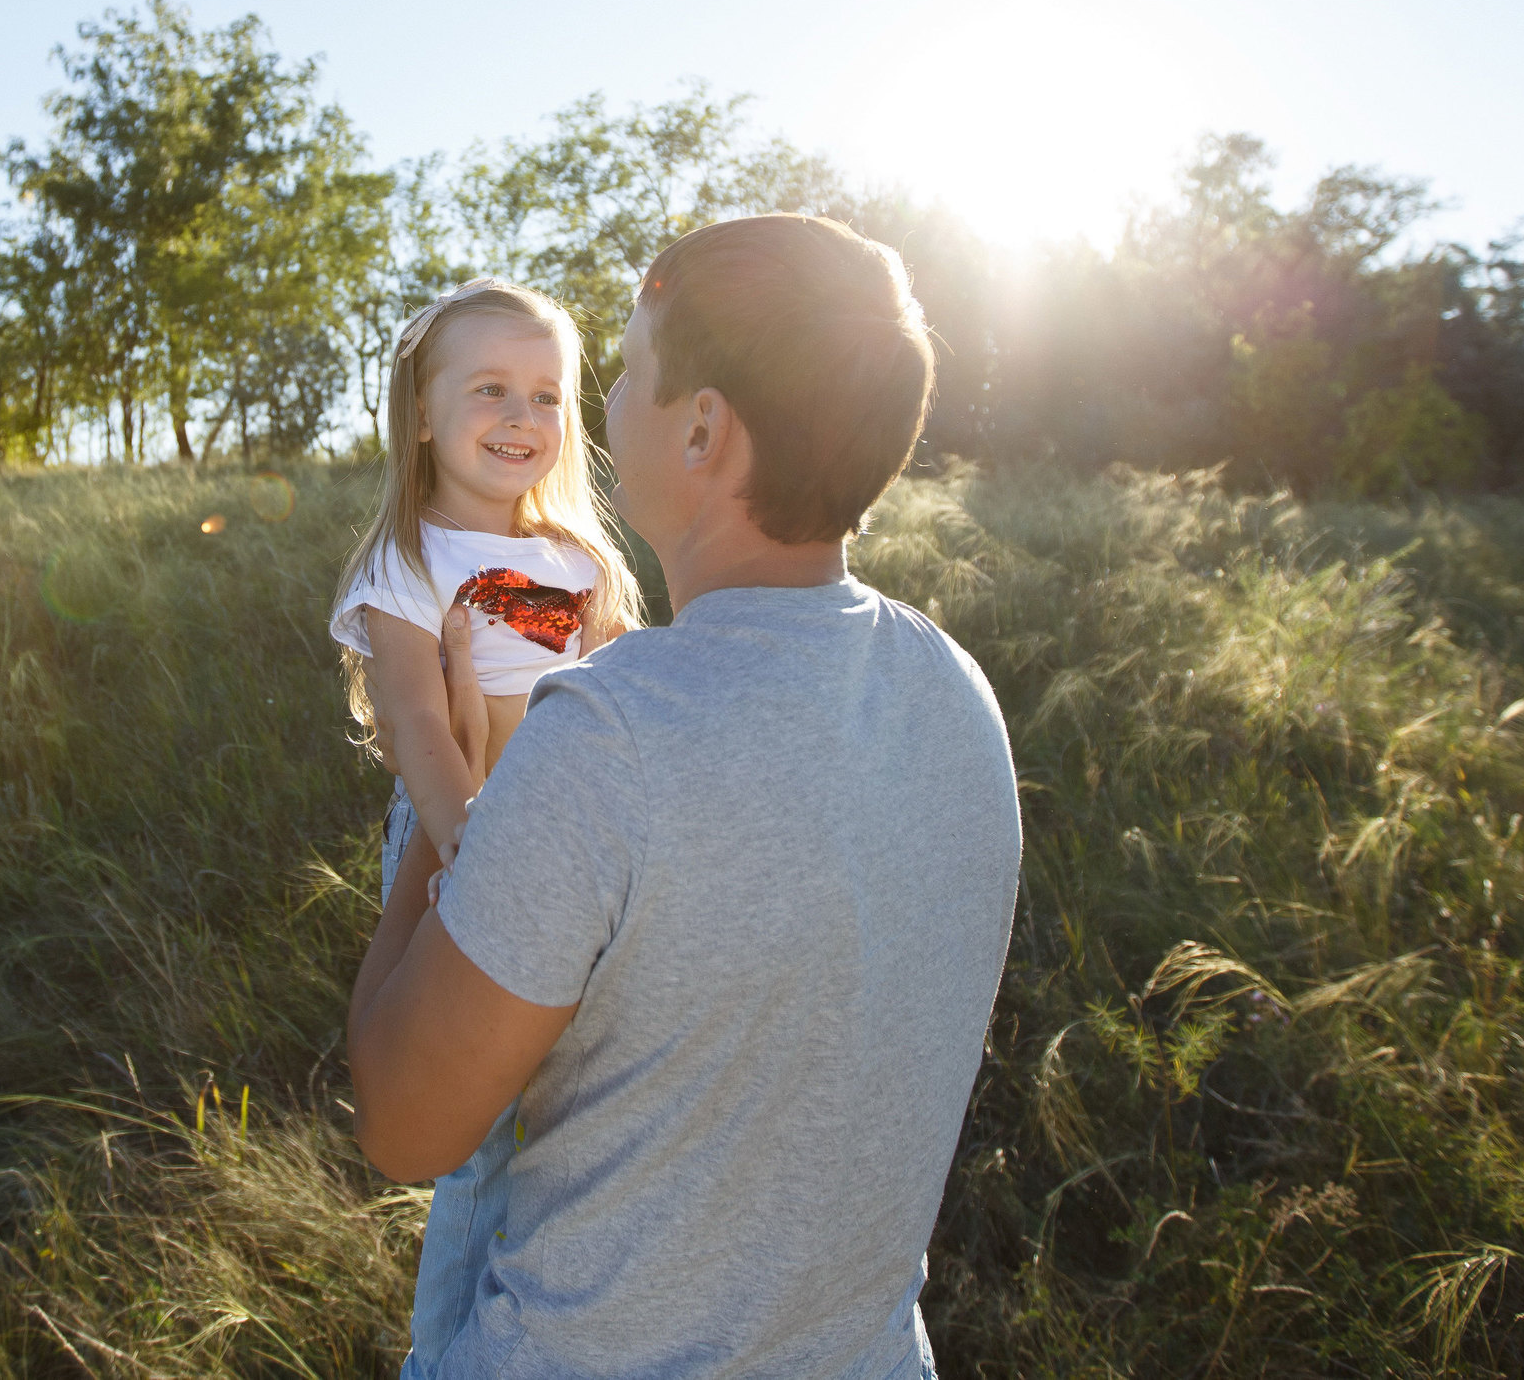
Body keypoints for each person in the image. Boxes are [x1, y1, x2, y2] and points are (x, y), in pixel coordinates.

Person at [348, 214, 1024, 1380]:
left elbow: (406, 1127)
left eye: (623, 373)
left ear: (702, 426)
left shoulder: (607, 739)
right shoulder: (955, 689)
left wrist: (449, 799)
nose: (596, 413)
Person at [330, 276, 644, 1376]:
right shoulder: (406, 566)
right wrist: (469, 841)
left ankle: (555, 1313)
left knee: (565, 1099)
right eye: (490, 392)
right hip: (459, 846)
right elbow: (419, 721)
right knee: (470, 1127)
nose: (522, 419)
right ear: (421, 414)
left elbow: (614, 695)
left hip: (579, 853)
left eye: (547, 395)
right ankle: (447, 1348)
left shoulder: (576, 564)